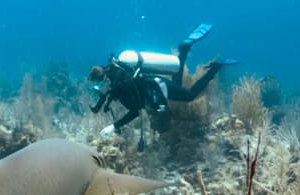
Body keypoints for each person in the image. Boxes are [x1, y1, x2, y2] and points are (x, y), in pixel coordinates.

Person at [88, 23, 237, 148]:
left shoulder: (119, 86)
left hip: (158, 87)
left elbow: (134, 111)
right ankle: (184, 51)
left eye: (99, 86)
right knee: (176, 83)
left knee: (189, 96)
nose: (101, 90)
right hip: (155, 85)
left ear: (103, 81)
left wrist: (114, 126)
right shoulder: (114, 70)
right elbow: (104, 99)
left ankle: (215, 68)